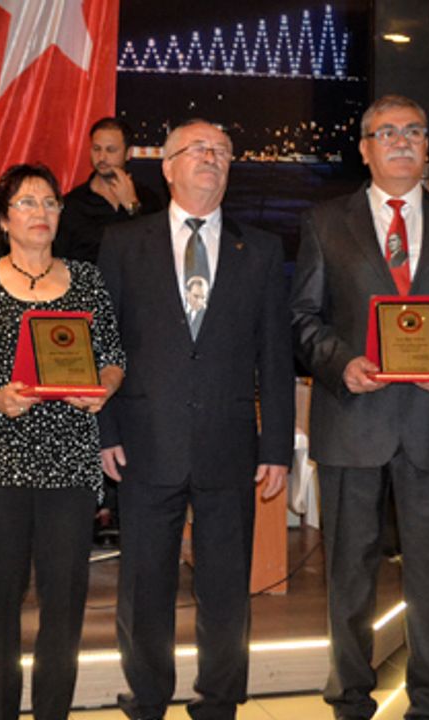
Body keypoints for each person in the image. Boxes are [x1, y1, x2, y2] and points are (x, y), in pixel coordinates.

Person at [290, 95, 429, 719]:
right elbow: (302, 317)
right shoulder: (325, 221)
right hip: (352, 422)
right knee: (349, 578)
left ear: (426, 146)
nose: (402, 141)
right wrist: (341, 363)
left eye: (414, 131)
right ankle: (350, 701)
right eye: (386, 133)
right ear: (364, 149)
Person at [97, 119, 294, 720]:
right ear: (168, 166)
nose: (212, 158)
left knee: (227, 590)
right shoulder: (123, 244)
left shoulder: (261, 249)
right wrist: (106, 431)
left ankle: (219, 702)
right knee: (144, 587)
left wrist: (276, 447)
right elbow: (104, 346)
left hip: (229, 446)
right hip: (144, 443)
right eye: (198, 149)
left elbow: (275, 356)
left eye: (222, 152)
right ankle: (147, 698)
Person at [0, 163, 126, 720]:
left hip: (68, 458)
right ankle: (0, 711)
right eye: (26, 203)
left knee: (66, 596)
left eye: (50, 202)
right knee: (0, 595)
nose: (41, 212)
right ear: (3, 219)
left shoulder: (87, 280)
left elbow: (113, 358)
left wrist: (101, 389)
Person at [54, 117, 163, 263]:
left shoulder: (149, 199)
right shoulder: (72, 204)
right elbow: (58, 261)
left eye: (111, 150)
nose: (102, 157)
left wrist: (132, 205)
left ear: (128, 153)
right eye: (96, 149)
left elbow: (158, 251)